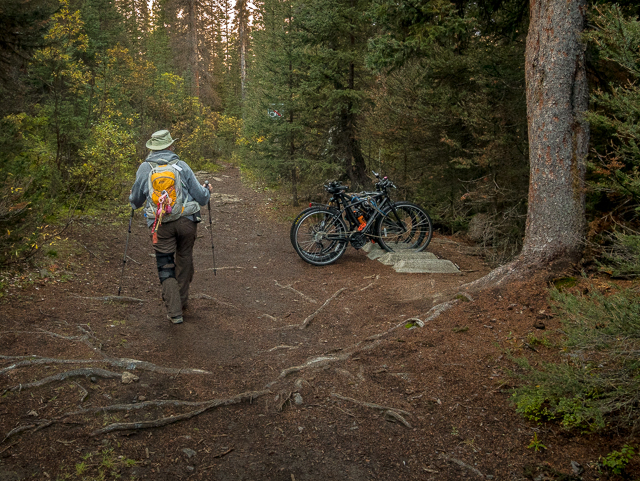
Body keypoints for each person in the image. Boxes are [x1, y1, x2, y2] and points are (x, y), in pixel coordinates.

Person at [129, 130, 212, 324]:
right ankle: (181, 301)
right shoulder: (181, 166)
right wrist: (207, 191)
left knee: (165, 265)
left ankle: (175, 313)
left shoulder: (145, 168)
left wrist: (132, 199)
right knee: (184, 258)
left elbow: (136, 201)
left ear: (152, 148)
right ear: (170, 146)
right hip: (186, 222)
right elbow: (200, 197)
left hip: (160, 225)